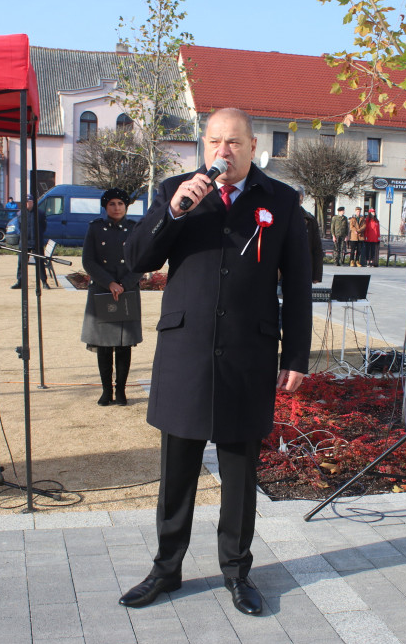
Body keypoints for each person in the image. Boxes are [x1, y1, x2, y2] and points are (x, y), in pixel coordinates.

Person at [120, 108, 312, 616]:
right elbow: (138, 259)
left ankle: (237, 572)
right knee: (177, 472)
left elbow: (296, 285)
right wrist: (177, 211)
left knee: (240, 476)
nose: (222, 152)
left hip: (248, 354)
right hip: (186, 352)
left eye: (233, 142)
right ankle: (166, 569)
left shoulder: (283, 201)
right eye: (213, 142)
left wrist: (295, 354)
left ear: (253, 147)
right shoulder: (174, 191)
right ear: (202, 147)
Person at [81, 188, 143, 406]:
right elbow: (88, 261)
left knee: (124, 344)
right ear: (105, 207)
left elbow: (141, 261)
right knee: (104, 344)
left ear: (126, 207)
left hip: (127, 291)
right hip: (102, 289)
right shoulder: (95, 228)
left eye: (120, 204)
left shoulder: (135, 229)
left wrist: (124, 284)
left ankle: (121, 391)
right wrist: (109, 283)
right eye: (112, 204)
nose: (116, 208)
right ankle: (106, 391)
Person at [11, 194, 49, 289]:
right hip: (24, 243)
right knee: (21, 263)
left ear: (33, 202)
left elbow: (43, 227)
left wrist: (37, 235)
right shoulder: (21, 213)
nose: (27, 204)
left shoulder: (40, 213)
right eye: (25, 202)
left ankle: (44, 282)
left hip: (37, 242)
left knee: (40, 262)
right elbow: (19, 227)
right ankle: (20, 281)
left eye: (29, 202)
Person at [298, 190, 324, 283]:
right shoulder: (281, 217)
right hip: (283, 271)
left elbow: (317, 248)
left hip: (304, 270)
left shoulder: (310, 219)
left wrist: (316, 275)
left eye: (299, 199)